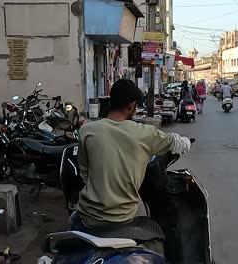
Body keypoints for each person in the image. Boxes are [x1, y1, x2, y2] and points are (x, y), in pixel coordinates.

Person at [71, 79, 191, 252]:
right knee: (154, 239)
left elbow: (85, 172)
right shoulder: (145, 133)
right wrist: (186, 142)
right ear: (131, 106)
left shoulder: (87, 130)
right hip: (122, 218)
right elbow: (176, 143)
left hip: (87, 216)